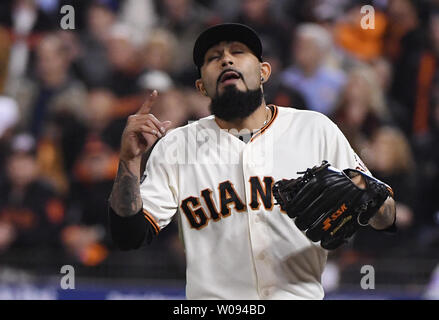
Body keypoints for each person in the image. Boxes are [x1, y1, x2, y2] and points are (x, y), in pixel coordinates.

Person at [108, 23, 396, 300]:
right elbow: (128, 235)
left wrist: (368, 196)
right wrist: (130, 162)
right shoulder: (176, 146)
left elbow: (387, 217)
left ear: (263, 72)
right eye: (213, 58)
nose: (226, 60)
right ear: (201, 87)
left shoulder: (314, 128)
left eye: (238, 52)